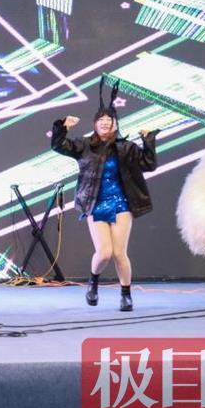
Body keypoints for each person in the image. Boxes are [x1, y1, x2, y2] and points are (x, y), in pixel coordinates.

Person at [50, 80, 159, 312]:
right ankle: (93, 282)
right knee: (104, 253)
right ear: (95, 124)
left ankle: (126, 295)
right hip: (95, 203)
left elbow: (148, 164)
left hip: (121, 204)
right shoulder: (84, 146)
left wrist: (148, 140)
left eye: (109, 120)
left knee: (119, 253)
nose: (105, 123)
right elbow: (58, 145)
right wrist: (63, 126)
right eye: (101, 120)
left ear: (115, 124)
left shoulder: (126, 147)